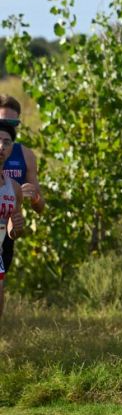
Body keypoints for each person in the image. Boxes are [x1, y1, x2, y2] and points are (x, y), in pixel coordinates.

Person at [0, 95, 44, 277]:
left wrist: (34, 196)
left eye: (13, 122)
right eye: (2, 121)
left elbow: (40, 207)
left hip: (7, 232)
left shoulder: (25, 155)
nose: (7, 127)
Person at [0, 121, 26, 320]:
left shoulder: (14, 188)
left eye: (6, 142)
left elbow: (13, 232)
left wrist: (15, 226)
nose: (1, 146)